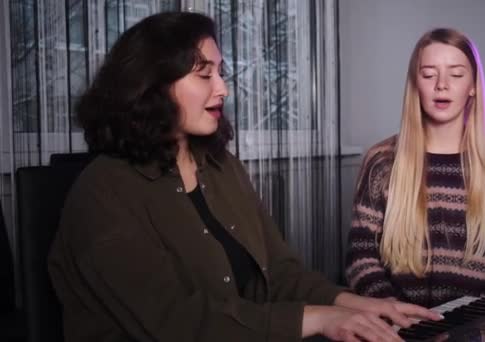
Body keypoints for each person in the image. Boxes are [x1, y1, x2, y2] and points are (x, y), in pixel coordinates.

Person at [47, 12, 442, 342]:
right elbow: (178, 324)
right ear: (152, 87)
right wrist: (321, 320)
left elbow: (280, 274)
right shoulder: (102, 193)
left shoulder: (221, 166)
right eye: (204, 75)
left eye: (221, 72)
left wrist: (359, 304)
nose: (223, 89)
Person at [345, 28, 485, 308]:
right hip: (398, 330)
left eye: (456, 74)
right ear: (415, 85)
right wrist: (397, 314)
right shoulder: (381, 162)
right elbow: (361, 259)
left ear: (472, 85)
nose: (441, 85)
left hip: (478, 329)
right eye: (429, 74)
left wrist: (468, 318)